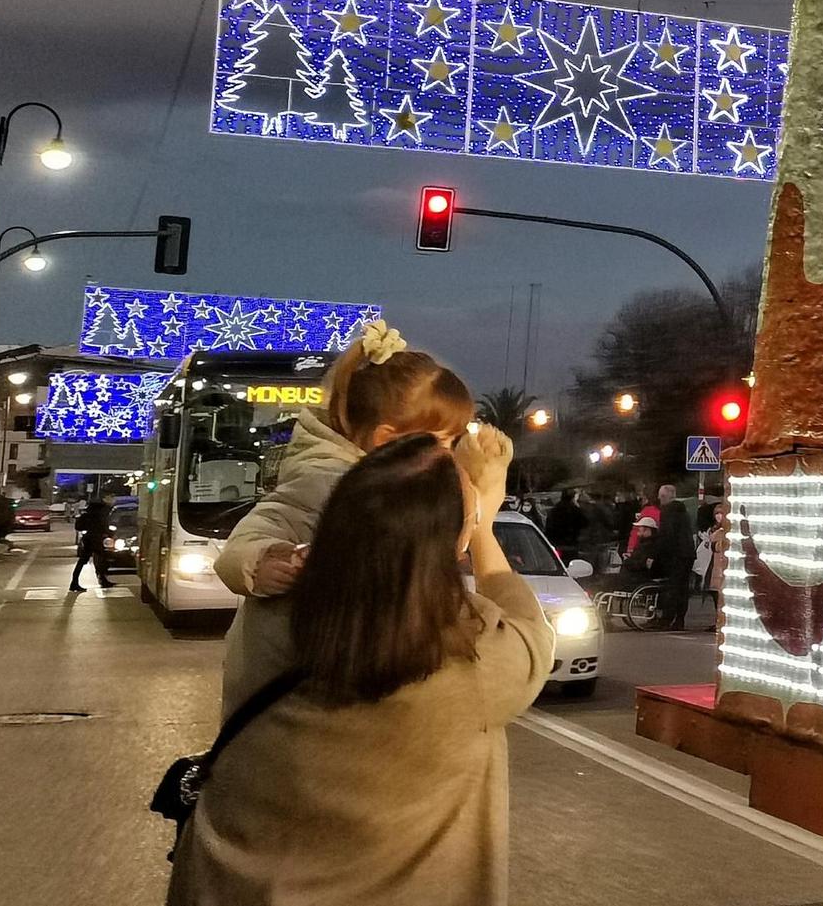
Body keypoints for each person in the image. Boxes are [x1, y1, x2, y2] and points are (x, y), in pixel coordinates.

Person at [165, 427, 550, 905]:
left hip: (234, 889)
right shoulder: (474, 659)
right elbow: (531, 630)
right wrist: (486, 527)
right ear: (452, 542)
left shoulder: (272, 613)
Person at [213, 320, 476, 715]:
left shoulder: (348, 474)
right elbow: (244, 542)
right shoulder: (331, 481)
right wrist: (260, 562)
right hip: (293, 695)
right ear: (386, 439)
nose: (450, 452)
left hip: (289, 689)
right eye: (442, 441)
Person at [649, 483, 696, 631]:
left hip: (676, 554)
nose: (660, 499)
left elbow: (666, 536)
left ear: (669, 496)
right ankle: (679, 620)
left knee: (672, 588)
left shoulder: (668, 511)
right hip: (687, 553)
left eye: (662, 496)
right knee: (682, 588)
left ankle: (666, 619)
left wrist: (655, 556)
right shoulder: (682, 511)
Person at [69, 495, 112, 592]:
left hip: (88, 539)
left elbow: (78, 527)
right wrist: (109, 533)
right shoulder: (98, 517)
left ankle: (74, 582)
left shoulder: (86, 516)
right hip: (95, 540)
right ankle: (102, 580)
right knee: (101, 559)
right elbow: (104, 528)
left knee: (84, 561)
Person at [544, 490, 585, 558]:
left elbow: (548, 525)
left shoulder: (555, 509)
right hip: (571, 543)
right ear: (572, 497)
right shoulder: (574, 509)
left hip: (556, 542)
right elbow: (584, 523)